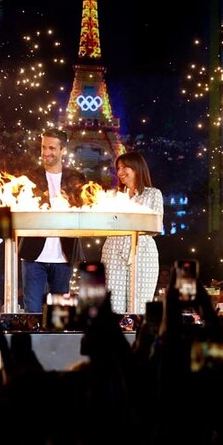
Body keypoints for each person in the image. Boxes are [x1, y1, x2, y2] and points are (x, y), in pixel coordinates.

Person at [19, 128, 86, 313]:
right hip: (33, 255)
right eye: (43, 147)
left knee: (60, 316)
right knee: (32, 312)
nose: (46, 152)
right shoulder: (29, 178)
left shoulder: (77, 179)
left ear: (62, 150)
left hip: (64, 256)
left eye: (51, 148)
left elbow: (84, 211)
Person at [100, 151, 163, 314]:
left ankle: (139, 339)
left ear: (137, 169)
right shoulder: (113, 196)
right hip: (113, 251)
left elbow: (155, 227)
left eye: (125, 167)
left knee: (139, 307)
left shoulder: (153, 194)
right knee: (113, 307)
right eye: (118, 168)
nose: (120, 172)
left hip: (142, 252)